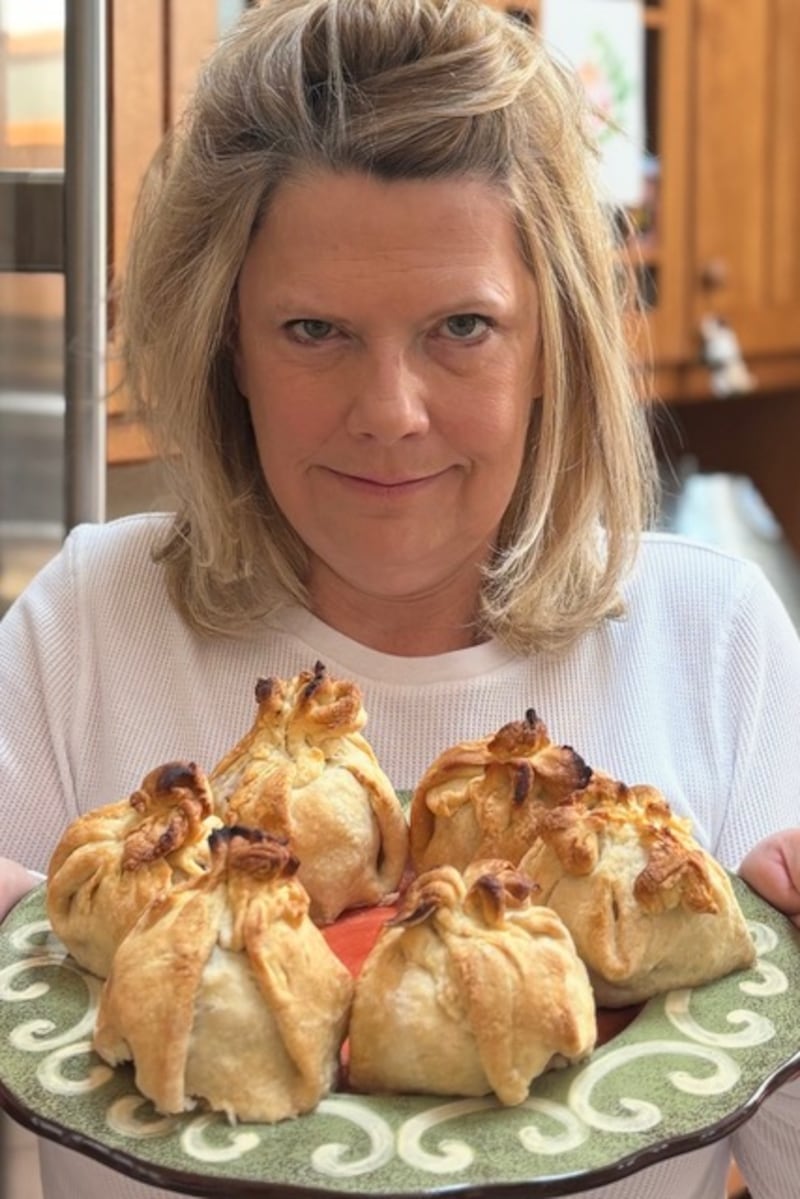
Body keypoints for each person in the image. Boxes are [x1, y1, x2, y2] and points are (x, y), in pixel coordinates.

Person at [0, 1, 798, 1196]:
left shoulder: (714, 638)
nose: (391, 410)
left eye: (460, 327)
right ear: (227, 344)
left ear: (550, 347)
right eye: (312, 328)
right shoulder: (86, 627)